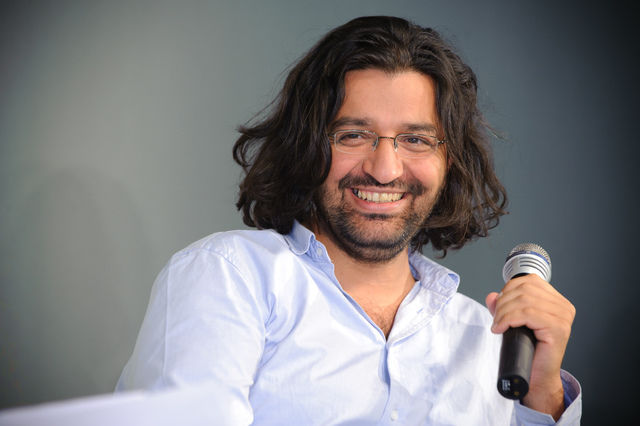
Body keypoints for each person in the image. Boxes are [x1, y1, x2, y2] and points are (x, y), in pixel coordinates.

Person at [116, 16, 581, 425]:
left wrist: (543, 394)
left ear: (450, 161)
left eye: (415, 140)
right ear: (306, 145)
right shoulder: (231, 278)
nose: (385, 170)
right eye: (354, 134)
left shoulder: (486, 336)